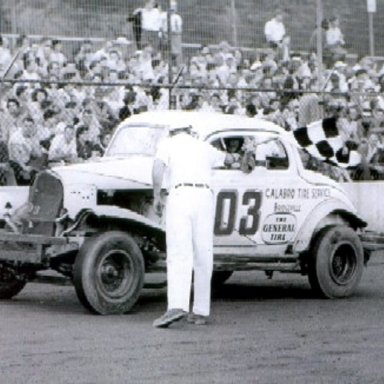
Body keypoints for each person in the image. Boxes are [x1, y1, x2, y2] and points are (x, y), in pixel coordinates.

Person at [151, 123, 236, 328]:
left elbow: (157, 169)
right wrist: (242, 150)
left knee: (180, 252)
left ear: (173, 132)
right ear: (189, 131)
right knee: (203, 254)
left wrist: (156, 196)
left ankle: (177, 305)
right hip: (204, 196)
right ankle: (200, 311)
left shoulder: (168, 143)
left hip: (181, 194)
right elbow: (229, 159)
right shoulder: (203, 146)